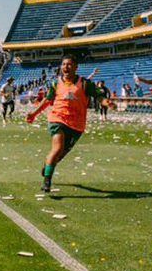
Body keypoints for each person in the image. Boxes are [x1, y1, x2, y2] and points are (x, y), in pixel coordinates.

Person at [26, 54, 112, 193]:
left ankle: (47, 164)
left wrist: (106, 102)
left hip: (76, 124)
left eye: (69, 64)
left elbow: (99, 97)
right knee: (57, 148)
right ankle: (47, 181)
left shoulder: (84, 83)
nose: (66, 67)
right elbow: (47, 101)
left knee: (60, 155)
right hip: (57, 119)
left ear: (76, 67)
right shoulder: (55, 83)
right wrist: (34, 114)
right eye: (64, 64)